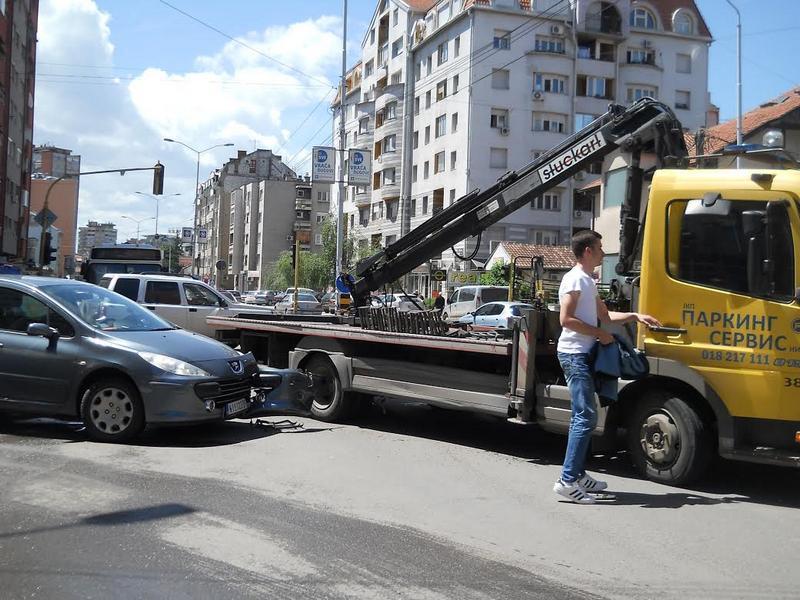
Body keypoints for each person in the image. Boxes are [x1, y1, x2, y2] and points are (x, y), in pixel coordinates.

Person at [553, 230, 661, 504]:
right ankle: (567, 481)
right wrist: (598, 333)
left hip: (584, 354)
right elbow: (565, 319)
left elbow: (605, 315)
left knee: (587, 416)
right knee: (584, 416)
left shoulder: (587, 280)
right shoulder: (575, 279)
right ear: (587, 251)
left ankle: (577, 475)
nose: (603, 252)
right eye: (599, 247)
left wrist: (635, 316)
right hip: (574, 354)